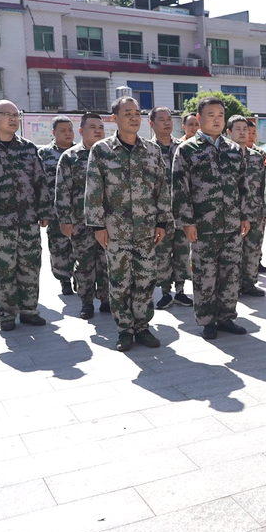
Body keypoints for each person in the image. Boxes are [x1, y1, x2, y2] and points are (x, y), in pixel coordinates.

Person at [85, 96, 172, 351]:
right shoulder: (101, 150)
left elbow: (161, 188)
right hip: (116, 231)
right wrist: (97, 226)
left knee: (146, 280)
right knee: (120, 282)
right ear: (114, 119)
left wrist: (163, 221)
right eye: (127, 113)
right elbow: (94, 190)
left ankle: (143, 327)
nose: (134, 117)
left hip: (146, 230)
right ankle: (124, 329)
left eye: (137, 113)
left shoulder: (152, 150)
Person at [0, 100, 51, 332]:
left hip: (28, 220)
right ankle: (5, 313)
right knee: (2, 269)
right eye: (7, 114)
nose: (13, 119)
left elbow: (40, 182)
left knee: (30, 266)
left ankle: (29, 310)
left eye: (16, 114)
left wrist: (44, 210)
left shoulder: (28, 147)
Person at [173, 101, 252, 340]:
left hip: (231, 224)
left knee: (230, 273)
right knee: (205, 276)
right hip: (203, 226)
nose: (217, 119)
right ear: (199, 117)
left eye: (220, 115)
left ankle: (226, 317)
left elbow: (243, 185)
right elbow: (180, 190)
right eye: (211, 115)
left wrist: (245, 215)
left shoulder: (234, 149)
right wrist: (187, 222)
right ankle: (207, 321)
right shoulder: (187, 150)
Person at [55, 113, 110, 319]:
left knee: (106, 262)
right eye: (92, 127)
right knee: (85, 264)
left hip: (107, 222)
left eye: (101, 127)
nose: (98, 131)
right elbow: (62, 190)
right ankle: (86, 301)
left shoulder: (110, 154)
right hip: (81, 222)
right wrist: (65, 219)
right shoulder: (70, 157)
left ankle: (106, 299)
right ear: (81, 131)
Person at [149, 106, 192, 309]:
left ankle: (181, 290)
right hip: (159, 214)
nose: (167, 122)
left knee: (182, 252)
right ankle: (165, 291)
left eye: (169, 119)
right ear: (152, 123)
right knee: (162, 253)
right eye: (162, 119)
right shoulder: (147, 150)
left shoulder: (183, 148)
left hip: (182, 211)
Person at [38, 116, 76, 295]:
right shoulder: (44, 154)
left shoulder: (79, 152)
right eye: (63, 131)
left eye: (70, 130)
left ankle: (80, 277)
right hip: (54, 211)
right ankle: (64, 279)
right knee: (58, 246)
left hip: (78, 209)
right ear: (54, 133)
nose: (67, 133)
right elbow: (38, 184)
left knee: (80, 245)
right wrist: (43, 211)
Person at [233, 118, 266, 297]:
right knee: (235, 250)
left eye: (245, 129)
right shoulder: (226, 156)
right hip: (234, 213)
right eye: (238, 129)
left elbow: (264, 184)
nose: (243, 132)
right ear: (229, 132)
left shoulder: (257, 156)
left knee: (253, 249)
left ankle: (250, 283)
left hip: (255, 211)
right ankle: (234, 285)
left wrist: (265, 209)